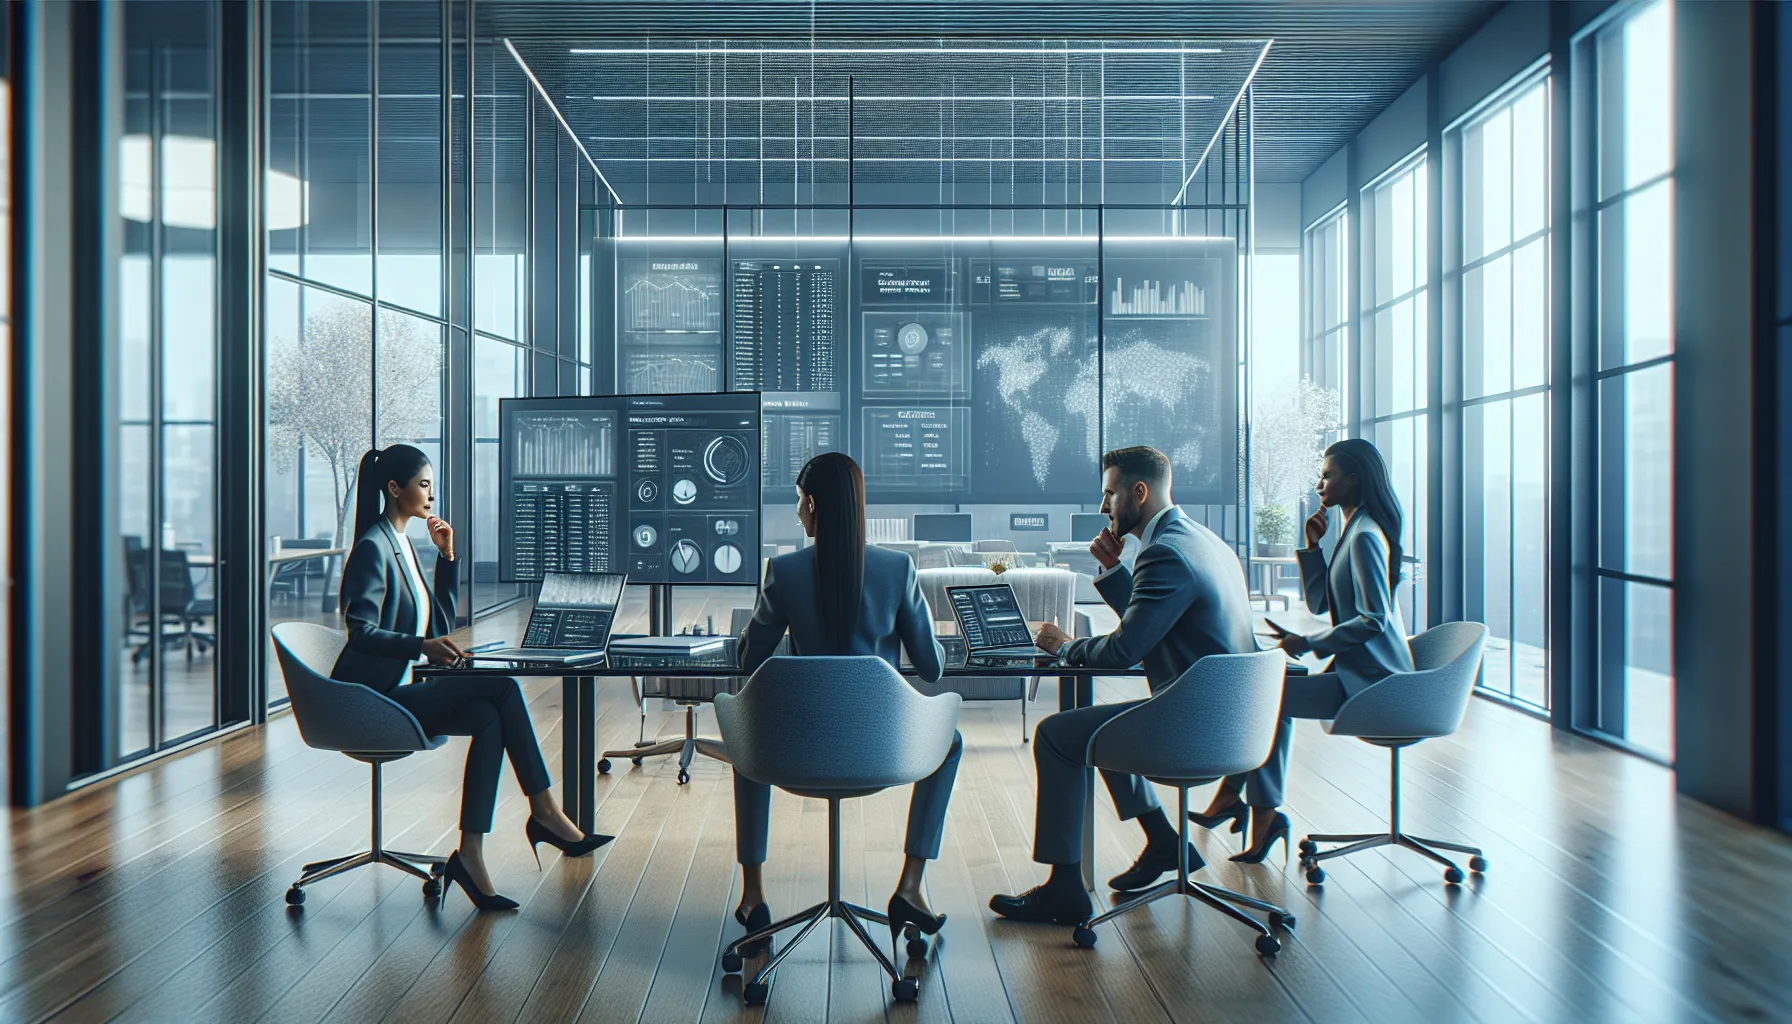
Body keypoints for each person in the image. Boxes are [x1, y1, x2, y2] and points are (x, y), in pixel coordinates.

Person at [332, 444, 611, 912]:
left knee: (487, 714)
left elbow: (437, 628)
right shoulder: (372, 547)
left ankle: (472, 854)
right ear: (394, 489)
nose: (430, 495)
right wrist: (418, 647)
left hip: (404, 687)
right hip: (372, 698)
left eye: (431, 486)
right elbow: (360, 632)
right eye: (423, 484)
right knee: (503, 688)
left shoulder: (401, 542)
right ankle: (544, 813)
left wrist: (447, 557)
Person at [988, 446, 1259, 925]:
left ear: (1139, 492)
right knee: (1102, 727)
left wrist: (1065, 646)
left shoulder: (1164, 553)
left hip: (1191, 730)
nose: (1102, 507)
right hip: (1238, 726)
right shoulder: (1204, 542)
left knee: (1056, 736)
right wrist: (1115, 572)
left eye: (1109, 494)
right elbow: (1153, 623)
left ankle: (1064, 889)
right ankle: (1162, 842)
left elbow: (1123, 651)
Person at [733, 452, 957, 957]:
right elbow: (932, 668)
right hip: (880, 753)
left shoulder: (784, 571)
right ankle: (911, 884)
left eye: (798, 501)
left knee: (748, 734)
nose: (796, 512)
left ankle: (753, 895)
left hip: (798, 754)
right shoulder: (898, 569)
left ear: (812, 503)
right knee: (951, 741)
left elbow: (752, 659)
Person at [1191, 437, 1415, 859]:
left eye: (1327, 474)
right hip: (1357, 670)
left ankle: (1251, 810)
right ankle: (1248, 808)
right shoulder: (1353, 530)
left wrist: (1306, 643)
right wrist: (1312, 549)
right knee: (1271, 699)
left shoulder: (1366, 535)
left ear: (1354, 478)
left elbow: (1373, 620)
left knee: (1269, 700)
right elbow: (1320, 604)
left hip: (1377, 681)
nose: (1319, 483)